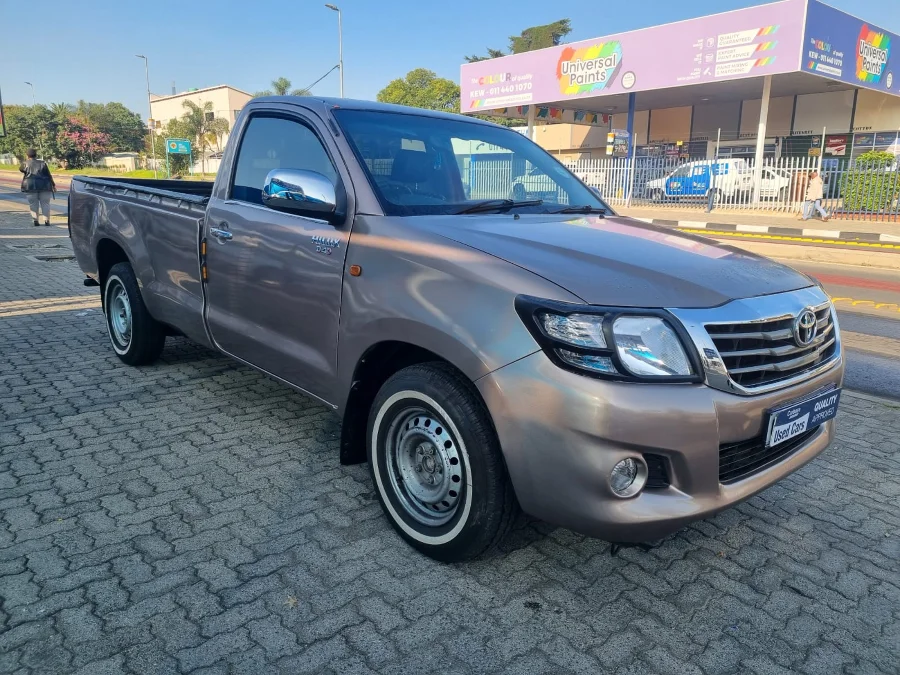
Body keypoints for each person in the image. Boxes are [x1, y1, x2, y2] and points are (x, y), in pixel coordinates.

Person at [20, 149, 56, 227]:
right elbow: (48, 175)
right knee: (45, 204)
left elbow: (21, 170)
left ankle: (35, 221)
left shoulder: (25, 163)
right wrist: (53, 185)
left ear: (27, 155)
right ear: (36, 155)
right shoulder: (43, 163)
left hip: (30, 186)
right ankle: (47, 221)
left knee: (33, 204)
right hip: (44, 186)